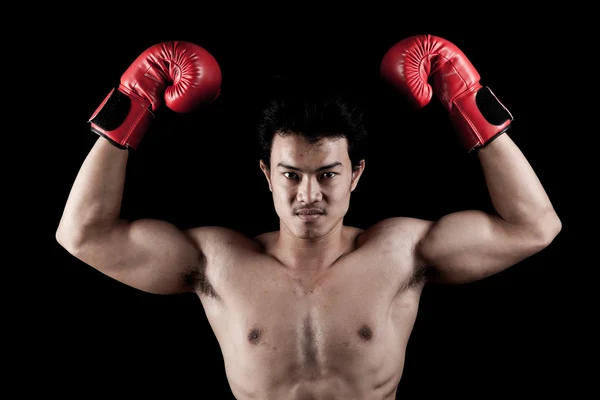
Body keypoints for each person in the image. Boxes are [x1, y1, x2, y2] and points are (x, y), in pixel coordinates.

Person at [56, 35, 561, 399]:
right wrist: (134, 102)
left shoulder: (401, 252)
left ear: (356, 175)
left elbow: (534, 226)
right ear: (267, 175)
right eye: (292, 175)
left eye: (328, 174)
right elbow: (83, 234)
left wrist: (466, 100)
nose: (308, 194)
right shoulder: (219, 262)